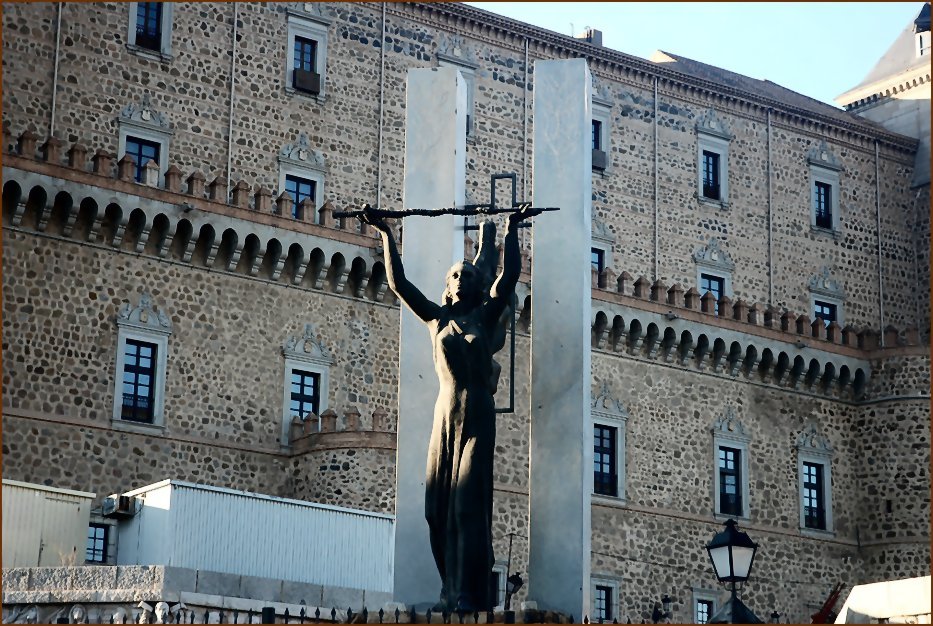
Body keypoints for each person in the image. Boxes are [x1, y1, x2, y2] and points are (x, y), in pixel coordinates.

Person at [361, 205, 541, 612]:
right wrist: (387, 234)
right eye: (454, 275)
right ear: (447, 286)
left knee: (466, 507)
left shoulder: (485, 313)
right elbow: (398, 285)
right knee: (436, 511)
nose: (461, 278)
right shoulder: (436, 319)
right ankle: (450, 588)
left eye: (468, 274)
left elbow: (508, 277)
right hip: (444, 418)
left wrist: (510, 231)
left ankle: (466, 593)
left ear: (479, 285)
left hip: (477, 416)